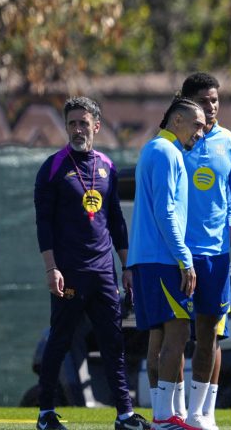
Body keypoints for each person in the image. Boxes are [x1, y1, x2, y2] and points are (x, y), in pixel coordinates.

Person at [33, 97, 151, 430]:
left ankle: (124, 415)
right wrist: (51, 268)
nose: (77, 129)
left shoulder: (108, 167)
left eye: (83, 123)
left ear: (96, 126)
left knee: (113, 342)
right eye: (71, 123)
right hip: (69, 272)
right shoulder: (53, 167)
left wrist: (127, 266)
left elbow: (116, 221)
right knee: (59, 340)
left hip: (104, 273)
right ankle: (45, 414)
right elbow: (43, 224)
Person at [174, 73, 231, 430]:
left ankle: (201, 413)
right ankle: (171, 412)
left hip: (215, 256)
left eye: (215, 100)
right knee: (171, 336)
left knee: (211, 336)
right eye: (204, 101)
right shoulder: (172, 145)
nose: (211, 107)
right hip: (174, 255)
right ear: (187, 103)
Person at [129, 98, 206, 429]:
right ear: (177, 120)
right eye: (196, 125)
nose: (200, 133)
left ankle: (168, 413)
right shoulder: (166, 152)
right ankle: (163, 417)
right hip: (162, 259)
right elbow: (165, 211)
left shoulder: (152, 149)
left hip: (148, 259)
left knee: (158, 337)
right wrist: (184, 258)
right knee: (178, 331)